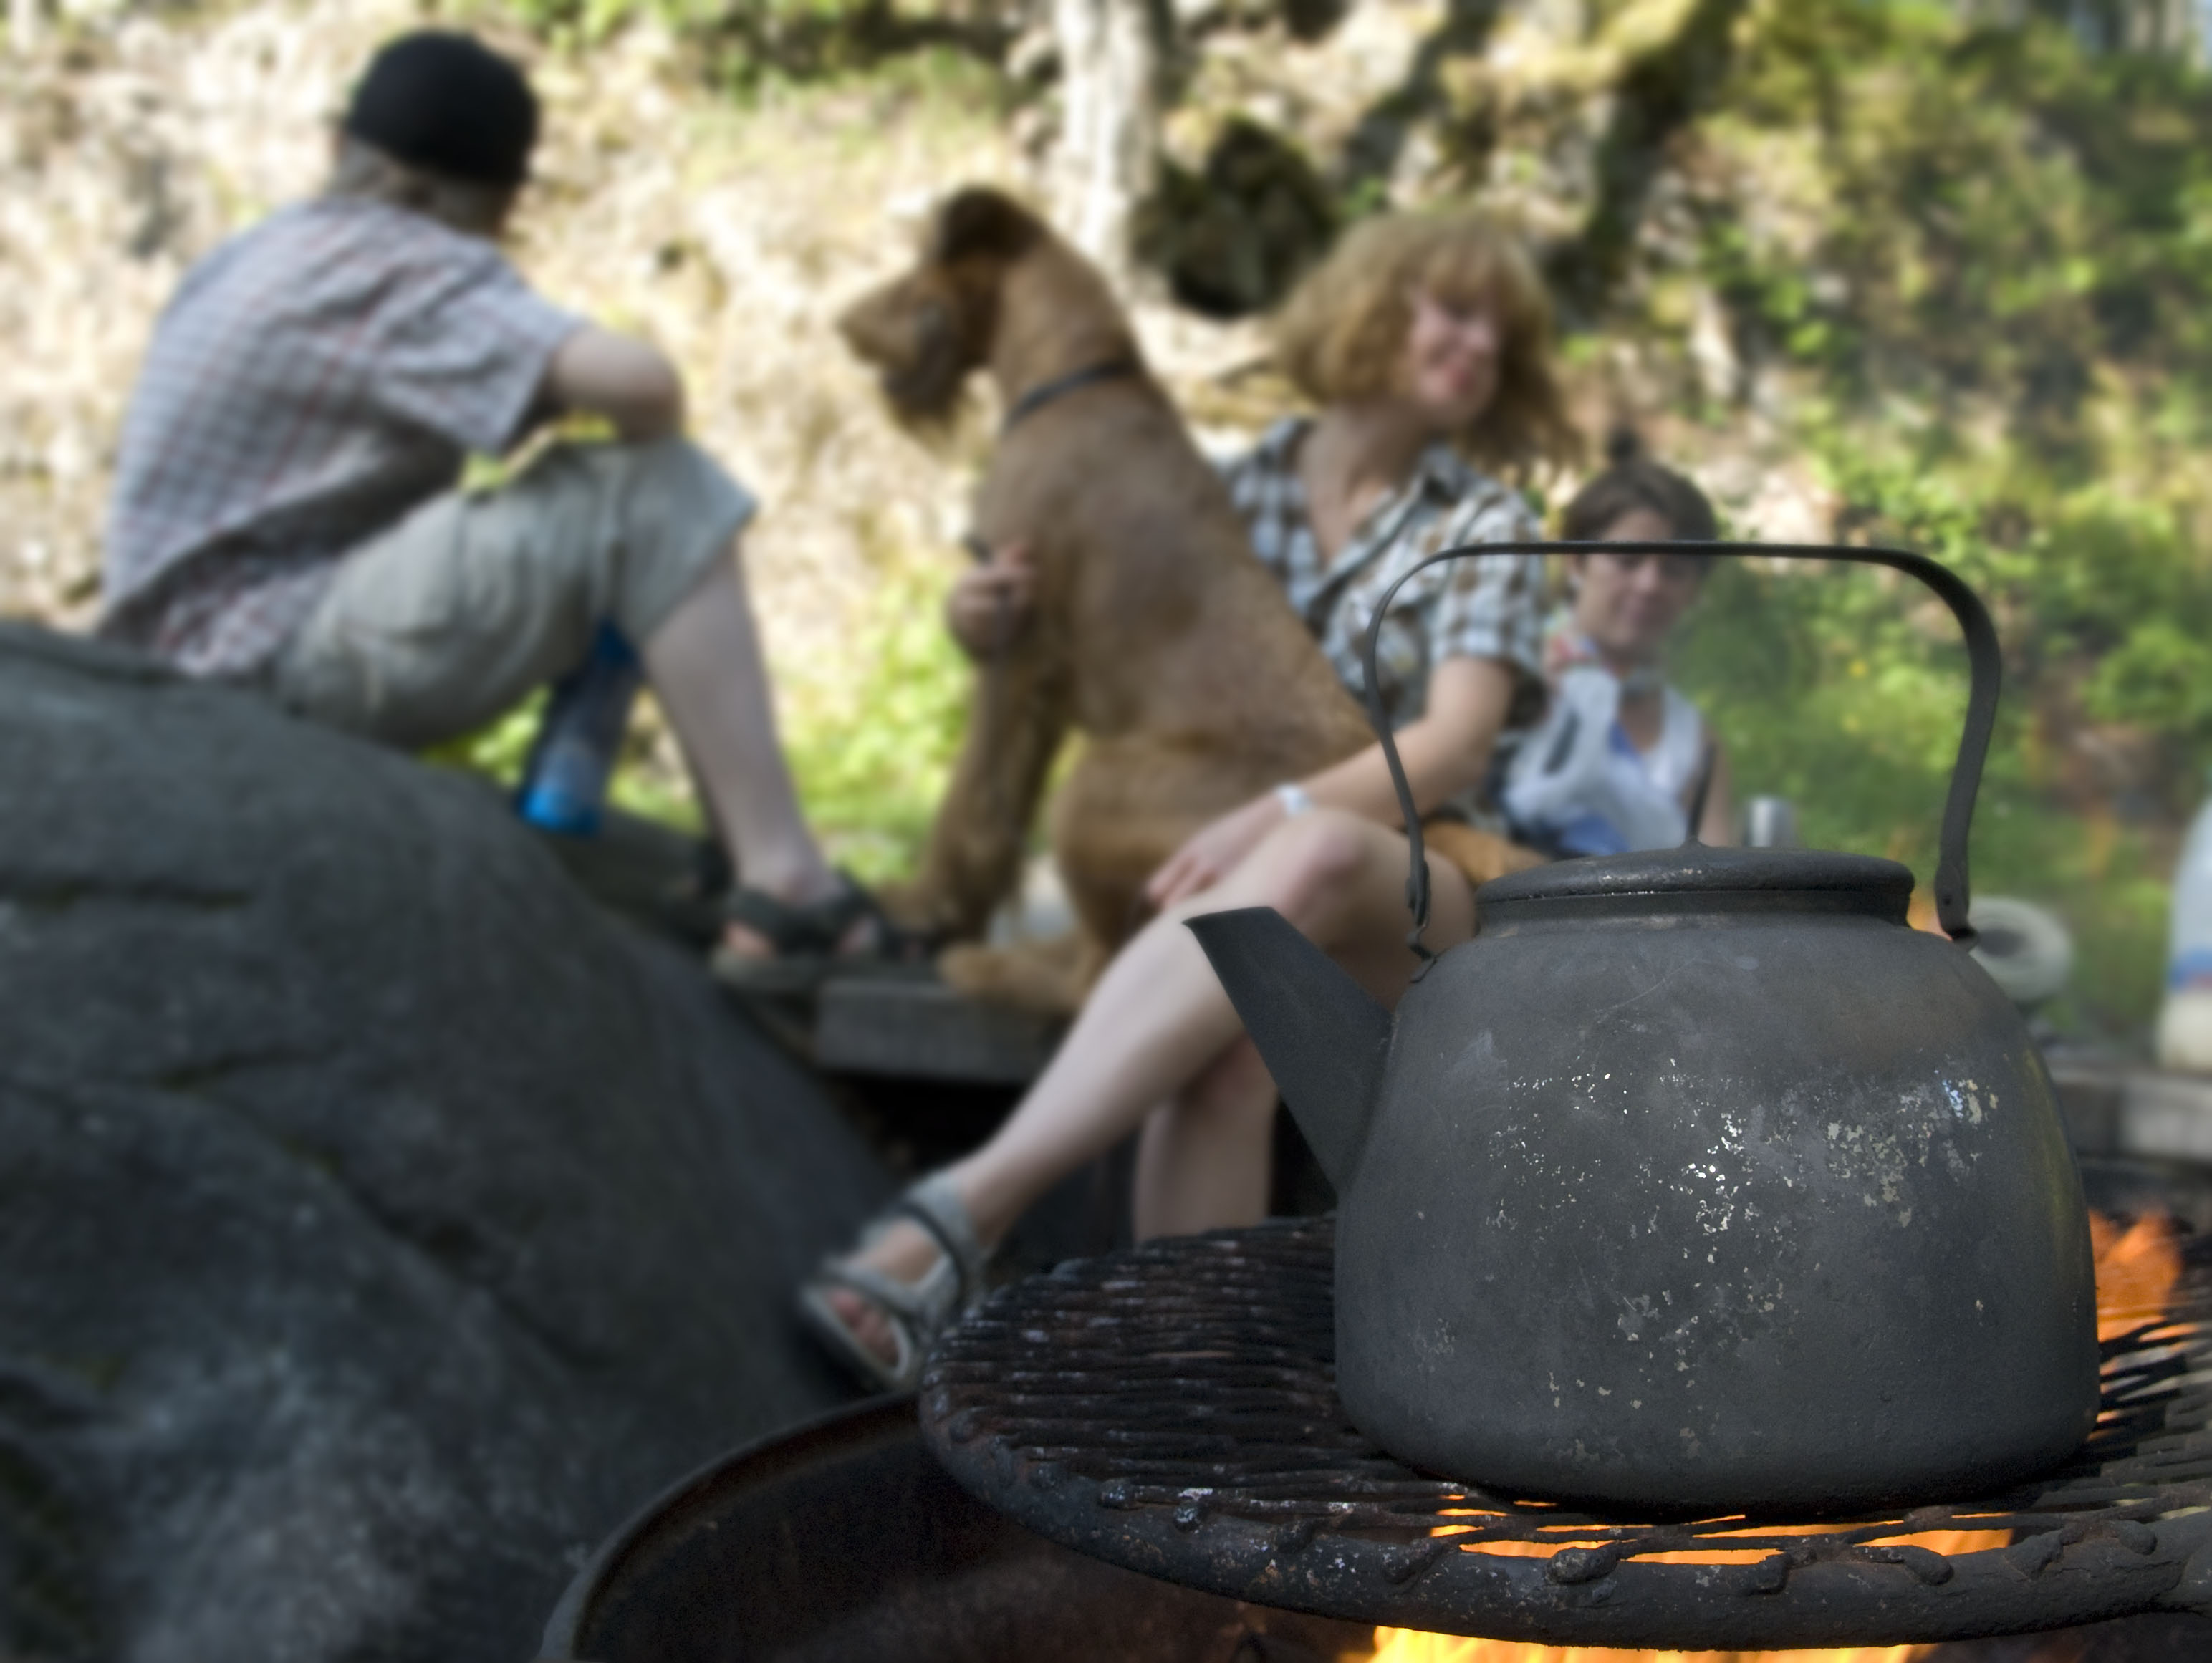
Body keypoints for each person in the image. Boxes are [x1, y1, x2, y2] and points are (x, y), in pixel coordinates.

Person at [801, 210, 1581, 1391]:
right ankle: (1182, 1393)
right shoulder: (1223, 488)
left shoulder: (1480, 523)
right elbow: (1102, 666)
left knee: (1311, 856)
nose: (1476, 345)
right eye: (1451, 309)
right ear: (1369, 301)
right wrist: (986, 621)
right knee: (1230, 1053)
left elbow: (1453, 744)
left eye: (1497, 331)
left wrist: (1266, 811)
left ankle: (959, 1215)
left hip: (1435, 893)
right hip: (1245, 888)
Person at [95, 29, 884, 982]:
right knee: (653, 491)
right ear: (501, 199)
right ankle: (784, 882)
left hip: (168, 668)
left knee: (616, 501)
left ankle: (748, 859)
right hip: (264, 660)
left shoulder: (260, 249)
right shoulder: (406, 261)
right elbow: (645, 388)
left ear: (341, 141)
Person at [1501, 433, 1733, 853]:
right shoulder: (1504, 674)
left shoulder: (1694, 738)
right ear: (1576, 562)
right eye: (1628, 561)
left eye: (1675, 571)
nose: (1649, 585)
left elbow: (1719, 879)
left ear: (1694, 591)